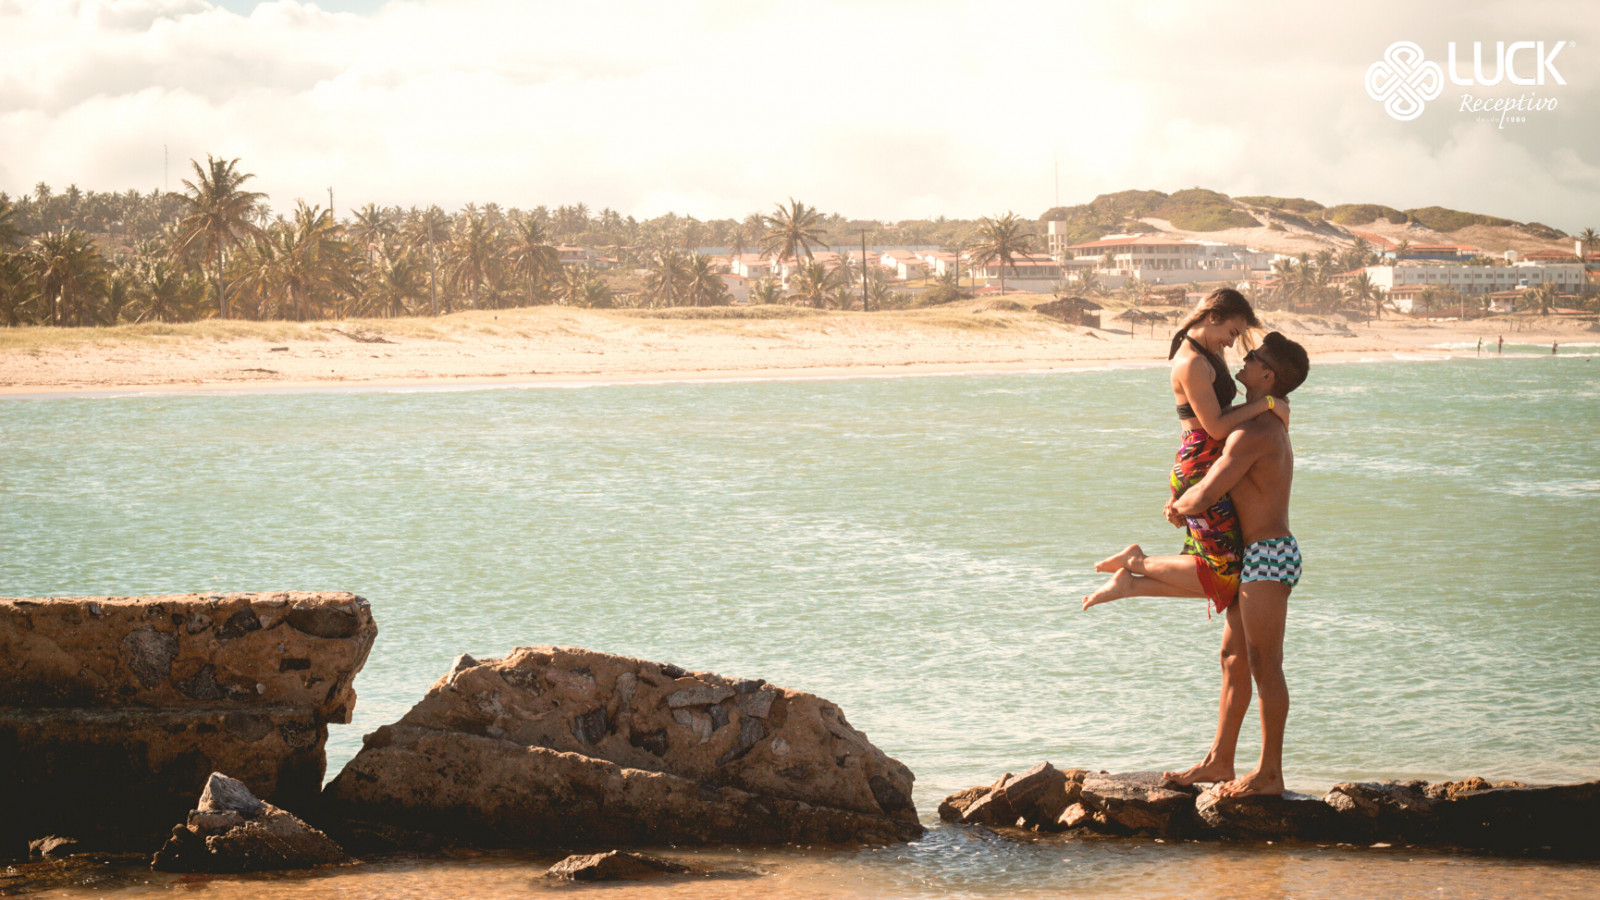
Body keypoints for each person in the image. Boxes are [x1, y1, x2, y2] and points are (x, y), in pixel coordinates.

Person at [1084, 333, 1311, 797]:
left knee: (1266, 666)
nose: (1243, 362)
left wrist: (1178, 507)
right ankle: (1219, 761)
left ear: (1268, 377)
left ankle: (1270, 774)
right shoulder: (1261, 422)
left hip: (1269, 556)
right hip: (1256, 557)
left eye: (1253, 359)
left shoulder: (1255, 431)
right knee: (1233, 660)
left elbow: (1210, 489)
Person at [1096, 289, 1284, 618]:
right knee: (1224, 574)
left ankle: (1133, 584)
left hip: (1208, 466)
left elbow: (1221, 416)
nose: (1231, 343)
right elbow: (1216, 427)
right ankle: (1135, 564)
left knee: (1228, 573)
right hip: (1200, 467)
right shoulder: (1192, 361)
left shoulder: (1208, 353)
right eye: (1231, 333)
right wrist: (1266, 404)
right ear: (1213, 318)